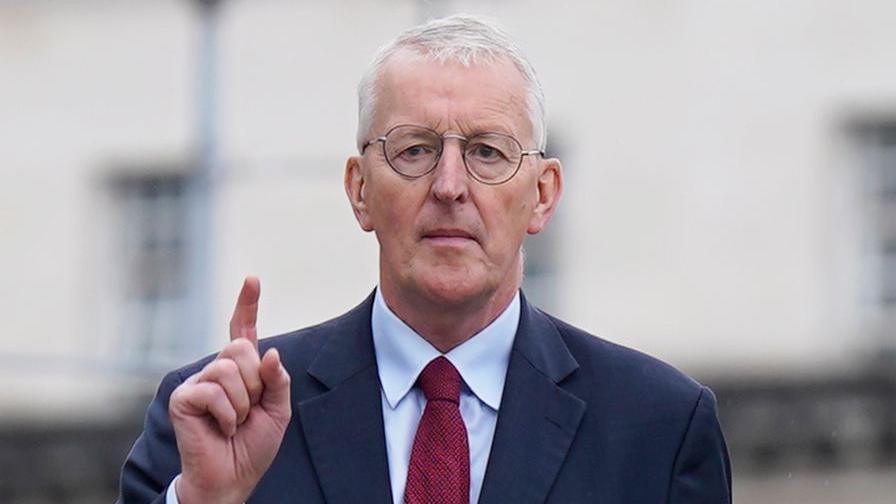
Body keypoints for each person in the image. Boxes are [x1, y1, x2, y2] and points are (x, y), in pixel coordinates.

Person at [118, 14, 731, 504]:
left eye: (488, 153)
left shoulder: (659, 428)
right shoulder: (215, 420)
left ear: (541, 195)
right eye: (414, 150)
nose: (449, 186)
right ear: (360, 190)